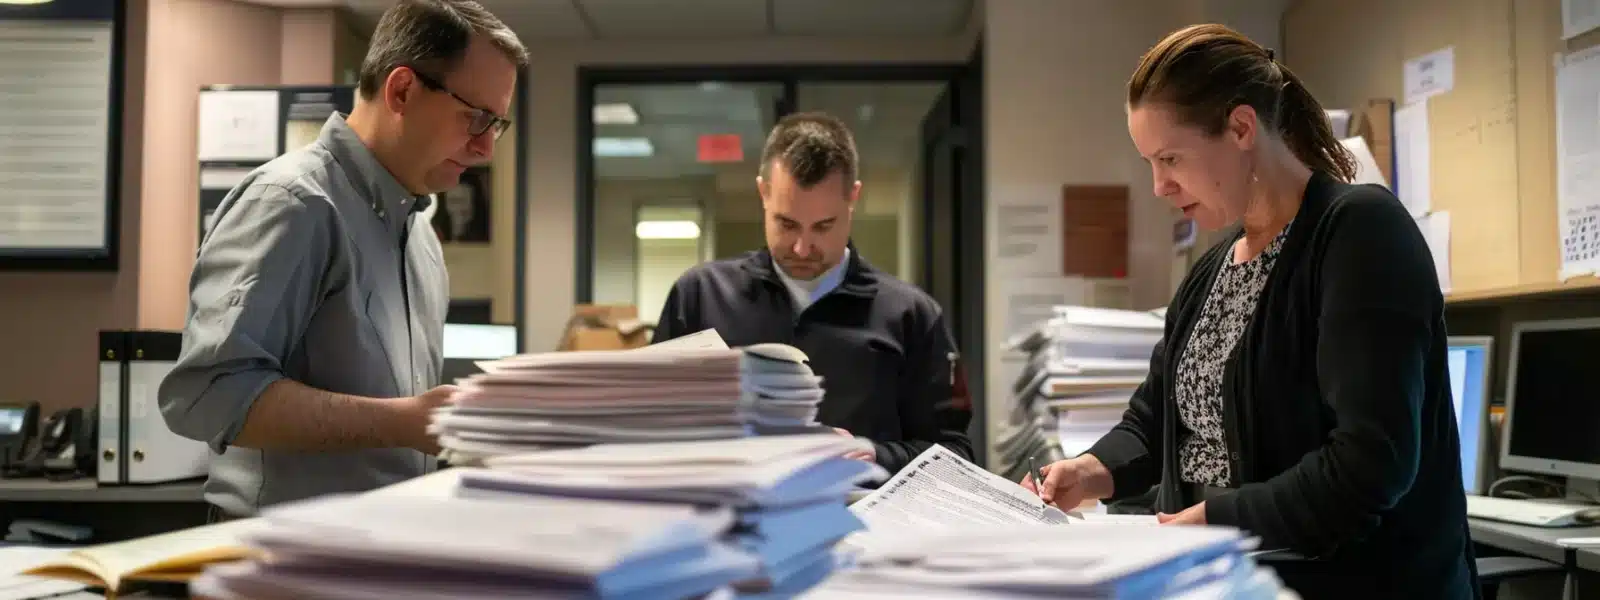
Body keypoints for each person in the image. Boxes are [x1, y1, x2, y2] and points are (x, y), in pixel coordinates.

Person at [1020, 24, 1477, 598]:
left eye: (1169, 158)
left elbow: (1369, 465)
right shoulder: (1210, 272)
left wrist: (1210, 523)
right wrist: (1088, 471)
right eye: (1150, 162)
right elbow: (1154, 421)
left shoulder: (1358, 232)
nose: (1159, 186)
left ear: (1240, 127)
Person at [158, 0, 527, 519]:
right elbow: (207, 394)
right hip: (276, 566)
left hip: (379, 550)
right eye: (478, 118)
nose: (487, 147)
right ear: (402, 91)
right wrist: (402, 422)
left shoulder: (421, 236)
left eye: (498, 125)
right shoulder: (292, 202)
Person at [652, 112, 972, 474]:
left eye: (823, 226)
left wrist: (873, 455)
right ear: (763, 193)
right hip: (727, 522)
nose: (803, 248)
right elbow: (644, 430)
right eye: (787, 224)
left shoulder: (912, 315)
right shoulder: (699, 296)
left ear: (853, 198)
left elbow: (956, 453)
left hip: (866, 523)